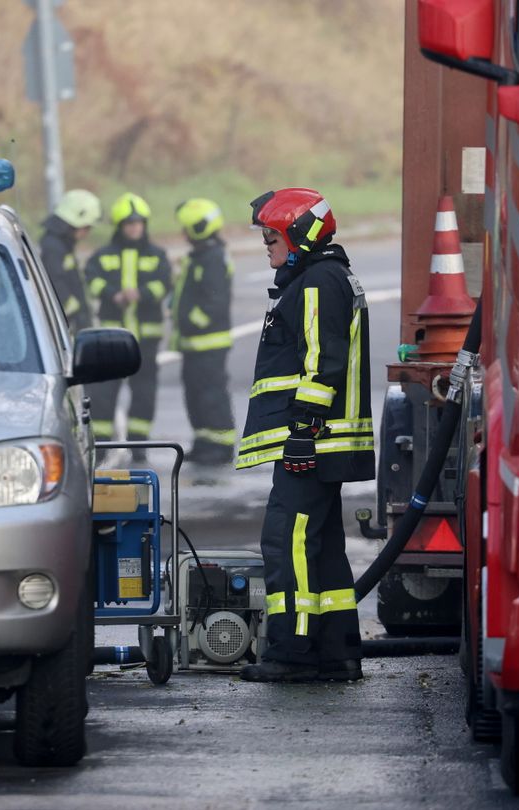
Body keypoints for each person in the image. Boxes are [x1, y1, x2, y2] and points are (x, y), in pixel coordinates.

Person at [236, 188, 375, 683]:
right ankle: (336, 652)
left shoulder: (317, 282)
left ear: (298, 235)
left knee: (287, 542)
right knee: (322, 546)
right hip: (321, 441)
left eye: (271, 236)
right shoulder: (326, 276)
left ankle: (291, 651)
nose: (266, 246)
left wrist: (301, 430)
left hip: (312, 440)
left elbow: (322, 360)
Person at [85, 192, 171, 461]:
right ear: (120, 226)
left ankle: (139, 446)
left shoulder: (157, 255)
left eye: (138, 223)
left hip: (146, 340)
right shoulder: (103, 255)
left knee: (144, 395)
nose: (135, 228)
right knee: (103, 393)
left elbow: (165, 283)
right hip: (111, 339)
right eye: (129, 223)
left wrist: (142, 293)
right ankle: (101, 446)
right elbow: (91, 280)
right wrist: (112, 293)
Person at [172, 198, 236, 465]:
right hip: (194, 343)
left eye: (187, 228)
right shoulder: (201, 256)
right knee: (195, 395)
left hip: (208, 343)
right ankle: (203, 442)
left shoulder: (212, 259)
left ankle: (220, 446)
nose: (184, 233)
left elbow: (214, 303)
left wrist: (191, 321)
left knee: (211, 395)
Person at [39, 189, 102, 335]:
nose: (87, 233)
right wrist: (76, 313)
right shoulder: (53, 247)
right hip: (67, 325)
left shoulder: (60, 245)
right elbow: (55, 282)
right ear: (75, 222)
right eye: (86, 227)